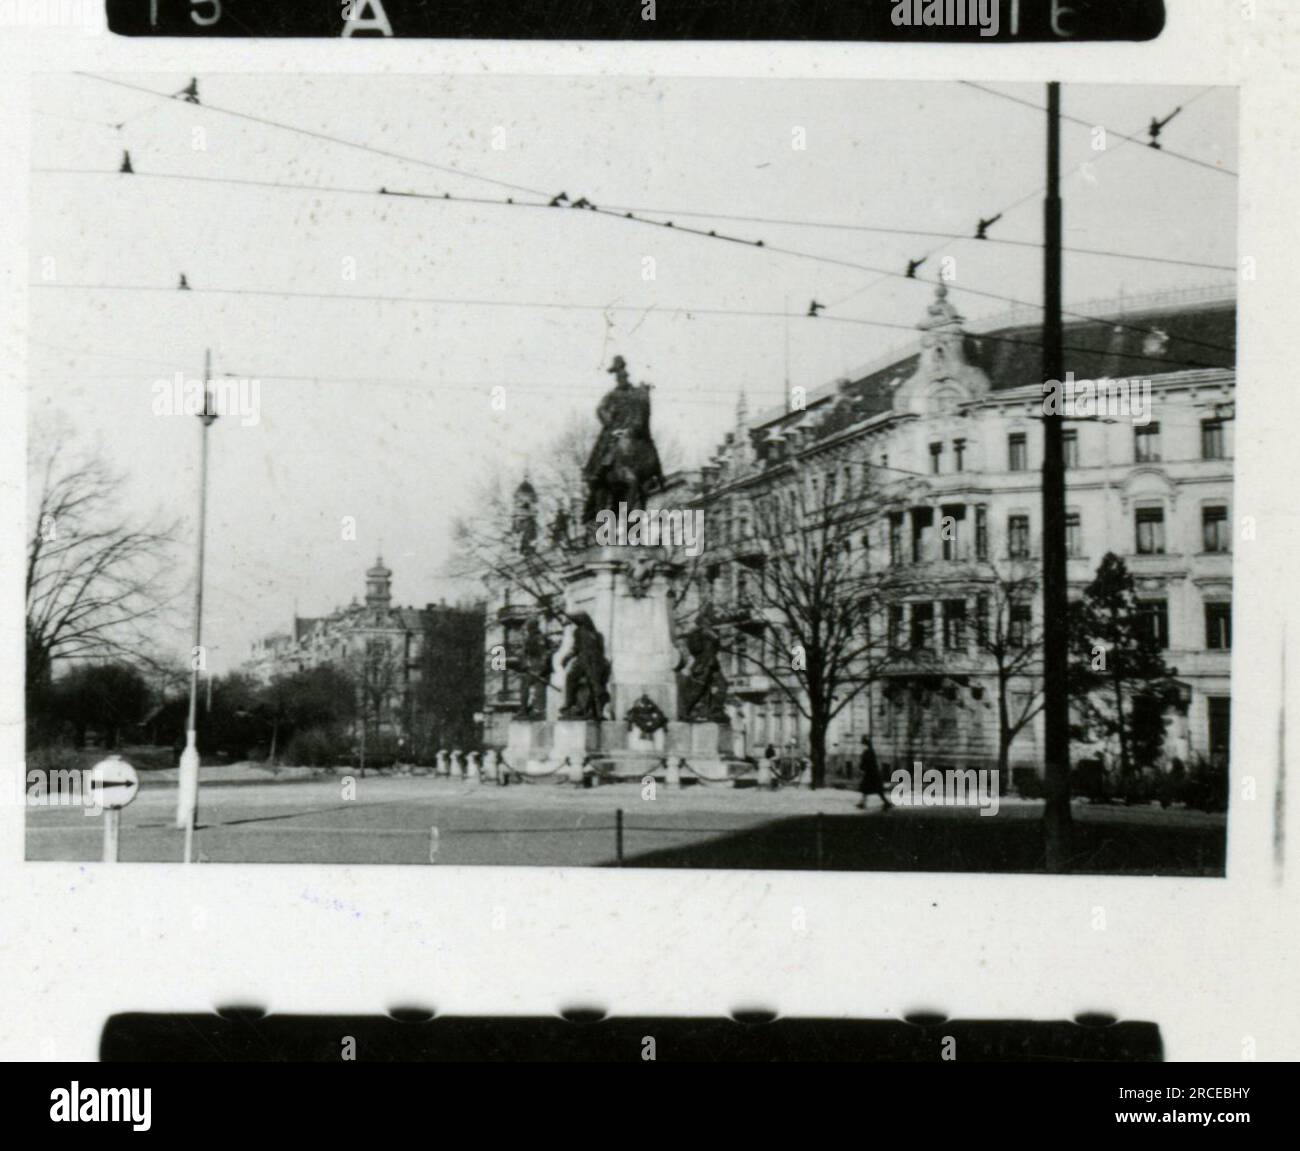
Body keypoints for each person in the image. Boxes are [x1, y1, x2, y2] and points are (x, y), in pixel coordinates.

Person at [855, 735, 892, 810]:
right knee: (874, 789)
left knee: (869, 789)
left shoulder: (867, 752)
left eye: (862, 744)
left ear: (864, 744)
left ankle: (885, 803)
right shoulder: (870, 751)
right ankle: (863, 803)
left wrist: (862, 767)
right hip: (873, 773)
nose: (862, 745)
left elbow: (865, 763)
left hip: (870, 774)